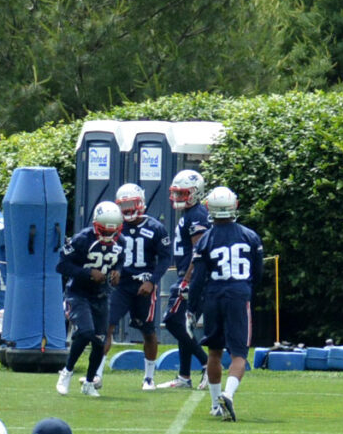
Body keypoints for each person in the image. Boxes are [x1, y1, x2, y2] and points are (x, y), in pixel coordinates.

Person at [193, 186, 264, 420]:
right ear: (234, 206)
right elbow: (258, 273)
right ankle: (228, 394)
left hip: (213, 296)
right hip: (238, 295)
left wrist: (192, 309)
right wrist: (246, 289)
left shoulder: (205, 240)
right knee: (239, 354)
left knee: (214, 351)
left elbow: (197, 280)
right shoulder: (250, 236)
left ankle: (216, 404)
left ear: (209, 209)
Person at [57, 201, 122, 397]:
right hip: (78, 293)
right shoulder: (82, 239)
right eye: (104, 230)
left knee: (100, 341)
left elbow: (119, 262)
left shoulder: (122, 242)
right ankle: (66, 372)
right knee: (85, 332)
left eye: (112, 231)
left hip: (101, 295)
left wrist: (117, 273)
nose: (108, 235)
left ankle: (89, 382)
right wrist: (88, 273)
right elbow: (61, 266)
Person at [109, 183, 172, 388]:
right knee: (107, 325)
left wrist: (152, 281)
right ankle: (96, 375)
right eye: (124, 205)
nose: (127, 209)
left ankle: (149, 377)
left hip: (143, 285)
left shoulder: (155, 227)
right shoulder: (115, 225)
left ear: (141, 203)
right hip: (121, 285)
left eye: (131, 204)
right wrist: (112, 271)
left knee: (148, 331)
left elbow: (165, 258)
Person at [160, 169, 209, 389]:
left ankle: (206, 363)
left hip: (192, 278)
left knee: (172, 321)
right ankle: (184, 376)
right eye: (176, 193)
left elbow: (199, 252)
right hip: (187, 276)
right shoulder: (190, 214)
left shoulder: (197, 215)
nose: (178, 197)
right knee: (183, 325)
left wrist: (187, 280)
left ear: (196, 192)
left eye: (183, 193)